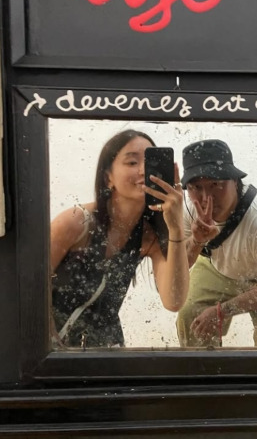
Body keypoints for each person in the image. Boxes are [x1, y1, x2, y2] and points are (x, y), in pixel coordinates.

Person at [51, 129, 189, 348]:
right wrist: (52, 348)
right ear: (108, 177)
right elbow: (30, 284)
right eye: (132, 162)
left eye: (150, 162)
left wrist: (176, 228)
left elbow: (174, 301)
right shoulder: (76, 222)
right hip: (52, 348)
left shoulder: (148, 237)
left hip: (107, 351)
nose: (143, 170)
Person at [176, 139, 257, 348]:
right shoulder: (189, 208)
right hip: (217, 267)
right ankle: (202, 369)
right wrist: (197, 240)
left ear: (235, 181)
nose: (206, 198)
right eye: (196, 187)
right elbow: (180, 266)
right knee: (190, 316)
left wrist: (221, 311)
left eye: (216, 184)